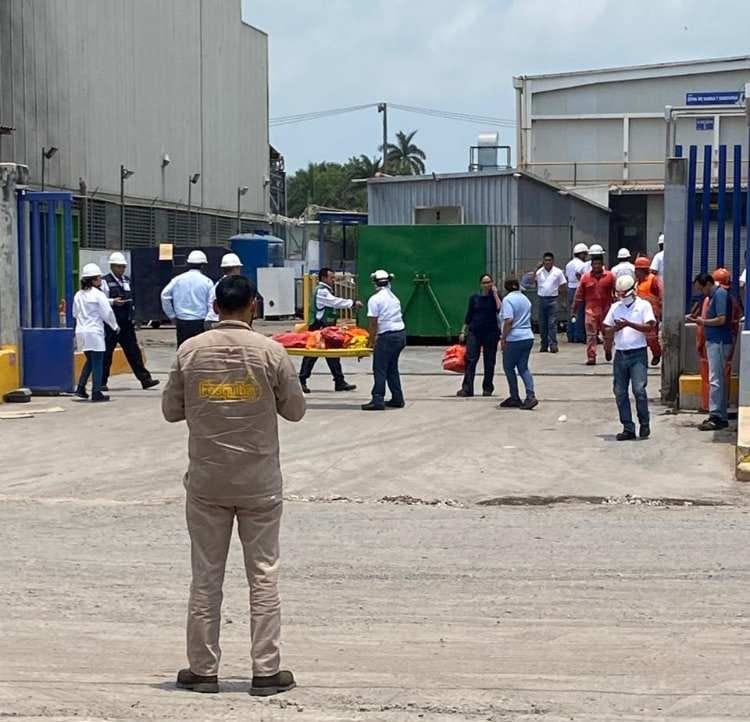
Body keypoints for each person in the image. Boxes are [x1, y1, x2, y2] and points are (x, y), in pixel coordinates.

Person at [162, 275, 306, 697]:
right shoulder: (270, 352)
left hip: (208, 483)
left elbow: (171, 410)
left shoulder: (190, 351)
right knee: (263, 576)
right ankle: (266, 670)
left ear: (214, 306)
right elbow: (295, 410)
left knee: (206, 577)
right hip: (259, 483)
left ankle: (203, 670)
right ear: (253, 306)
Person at [603, 275, 656, 441]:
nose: (621, 297)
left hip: (638, 353)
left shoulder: (643, 306)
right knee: (620, 392)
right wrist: (612, 335)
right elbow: (606, 328)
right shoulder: (615, 308)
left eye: (623, 294)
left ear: (633, 291)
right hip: (620, 353)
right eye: (618, 294)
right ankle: (628, 427)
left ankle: (644, 423)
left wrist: (629, 324)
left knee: (639, 390)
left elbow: (649, 326)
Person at [100, 252, 159, 391]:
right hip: (111, 324)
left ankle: (145, 380)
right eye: (119, 266)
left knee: (134, 352)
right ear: (112, 266)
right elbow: (101, 301)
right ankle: (102, 382)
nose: (122, 269)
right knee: (107, 354)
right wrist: (113, 302)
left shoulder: (126, 281)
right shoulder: (105, 282)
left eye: (123, 267)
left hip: (126, 323)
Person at [298, 267, 361, 394]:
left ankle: (339, 381)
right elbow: (335, 302)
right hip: (319, 327)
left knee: (333, 354)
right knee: (311, 355)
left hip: (327, 327)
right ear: (323, 278)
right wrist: (352, 303)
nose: (333, 280)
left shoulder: (326, 290)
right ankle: (302, 380)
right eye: (331, 277)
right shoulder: (322, 291)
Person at [687, 273, 733, 431]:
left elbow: (721, 319)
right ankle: (720, 414)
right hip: (714, 341)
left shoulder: (719, 295)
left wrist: (703, 321)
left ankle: (716, 416)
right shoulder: (714, 296)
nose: (701, 292)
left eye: (701, 289)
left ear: (708, 283)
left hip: (719, 342)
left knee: (716, 380)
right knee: (717, 379)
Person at [73, 263, 119, 403]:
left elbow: (74, 313)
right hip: (94, 331)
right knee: (98, 361)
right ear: (93, 280)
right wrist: (114, 326)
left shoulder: (78, 295)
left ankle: (81, 388)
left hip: (81, 331)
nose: (100, 280)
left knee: (91, 360)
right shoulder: (98, 295)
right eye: (99, 278)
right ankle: (96, 391)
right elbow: (107, 313)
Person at [362, 269, 406, 411]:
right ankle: (397, 398)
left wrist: (371, 341)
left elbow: (373, 323)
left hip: (387, 337)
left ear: (375, 283)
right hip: (400, 335)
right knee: (392, 368)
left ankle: (378, 399)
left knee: (380, 368)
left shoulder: (375, 299)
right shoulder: (394, 298)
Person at [456, 274, 502, 397]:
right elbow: (469, 315)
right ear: (480, 284)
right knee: (471, 359)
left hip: (491, 333)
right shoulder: (474, 298)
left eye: (489, 282)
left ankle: (487, 388)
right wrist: (463, 330)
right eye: (484, 282)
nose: (487, 285)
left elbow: (500, 309)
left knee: (489, 361)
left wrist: (495, 294)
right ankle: (467, 388)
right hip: (475, 332)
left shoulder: (495, 297)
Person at [498, 278, 537, 410]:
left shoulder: (508, 300)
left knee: (508, 367)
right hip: (528, 336)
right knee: (523, 367)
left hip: (514, 337)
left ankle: (514, 396)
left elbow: (509, 320)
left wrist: (503, 338)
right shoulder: (525, 299)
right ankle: (530, 395)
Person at [161, 250, 214, 346]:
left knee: (183, 349)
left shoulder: (177, 280)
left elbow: (164, 296)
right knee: (199, 349)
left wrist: (171, 315)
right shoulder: (207, 282)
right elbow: (211, 302)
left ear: (188, 263)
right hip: (200, 322)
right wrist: (209, 319)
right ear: (203, 265)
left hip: (182, 322)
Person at [572, 252, 615, 365]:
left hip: (606, 311)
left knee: (608, 335)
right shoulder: (585, 278)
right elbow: (579, 295)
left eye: (598, 264)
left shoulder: (610, 276)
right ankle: (591, 357)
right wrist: (574, 309)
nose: (596, 266)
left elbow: (616, 292)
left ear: (602, 264)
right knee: (591, 335)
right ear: (591, 265)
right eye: (594, 264)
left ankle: (608, 350)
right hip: (590, 311)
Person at [531, 252, 567, 353]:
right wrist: (535, 269)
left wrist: (563, 301)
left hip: (553, 300)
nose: (547, 262)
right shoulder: (539, 272)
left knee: (552, 324)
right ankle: (544, 345)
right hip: (542, 299)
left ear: (553, 261)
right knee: (542, 324)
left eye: (549, 260)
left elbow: (563, 286)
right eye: (545, 260)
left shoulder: (558, 272)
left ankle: (553, 345)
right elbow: (532, 281)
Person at [634, 256, 663, 366]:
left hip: (652, 313)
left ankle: (657, 353)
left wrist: (661, 311)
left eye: (637, 270)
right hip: (639, 312)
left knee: (651, 337)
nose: (635, 272)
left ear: (643, 270)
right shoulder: (637, 282)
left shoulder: (653, 280)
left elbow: (660, 295)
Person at [204, 253, 243, 330]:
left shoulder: (217, 284)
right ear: (236, 268)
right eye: (239, 268)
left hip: (210, 321)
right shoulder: (232, 286)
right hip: (220, 323)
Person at [565, 243, 588, 344]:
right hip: (578, 288)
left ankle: (571, 335)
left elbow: (567, 276)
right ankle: (579, 336)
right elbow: (581, 276)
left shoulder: (569, 264)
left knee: (572, 313)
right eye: (585, 254)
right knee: (580, 313)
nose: (586, 256)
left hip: (570, 288)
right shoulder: (581, 265)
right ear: (581, 254)